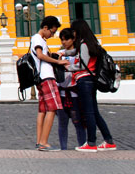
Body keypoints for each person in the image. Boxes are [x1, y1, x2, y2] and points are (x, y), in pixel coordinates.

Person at [66, 19, 117, 152]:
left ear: (77, 31)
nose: (73, 34)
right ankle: (108, 140)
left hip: (84, 80)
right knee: (94, 112)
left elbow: (82, 65)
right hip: (91, 81)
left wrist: (68, 67)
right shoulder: (92, 43)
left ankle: (91, 142)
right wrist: (63, 53)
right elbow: (74, 53)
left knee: (88, 112)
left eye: (73, 31)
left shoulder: (84, 44)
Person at [31, 16, 69, 151]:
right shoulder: (38, 39)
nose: (52, 35)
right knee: (52, 108)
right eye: (52, 32)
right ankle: (44, 142)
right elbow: (40, 55)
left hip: (41, 78)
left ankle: (39, 141)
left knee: (43, 110)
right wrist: (58, 62)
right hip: (47, 77)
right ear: (45, 28)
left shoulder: (38, 39)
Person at [56, 28, 86, 150]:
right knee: (62, 123)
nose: (64, 42)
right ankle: (63, 148)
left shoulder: (79, 53)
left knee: (78, 122)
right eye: (62, 40)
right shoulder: (59, 54)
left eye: (66, 39)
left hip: (74, 93)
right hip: (62, 92)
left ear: (73, 39)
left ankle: (82, 145)